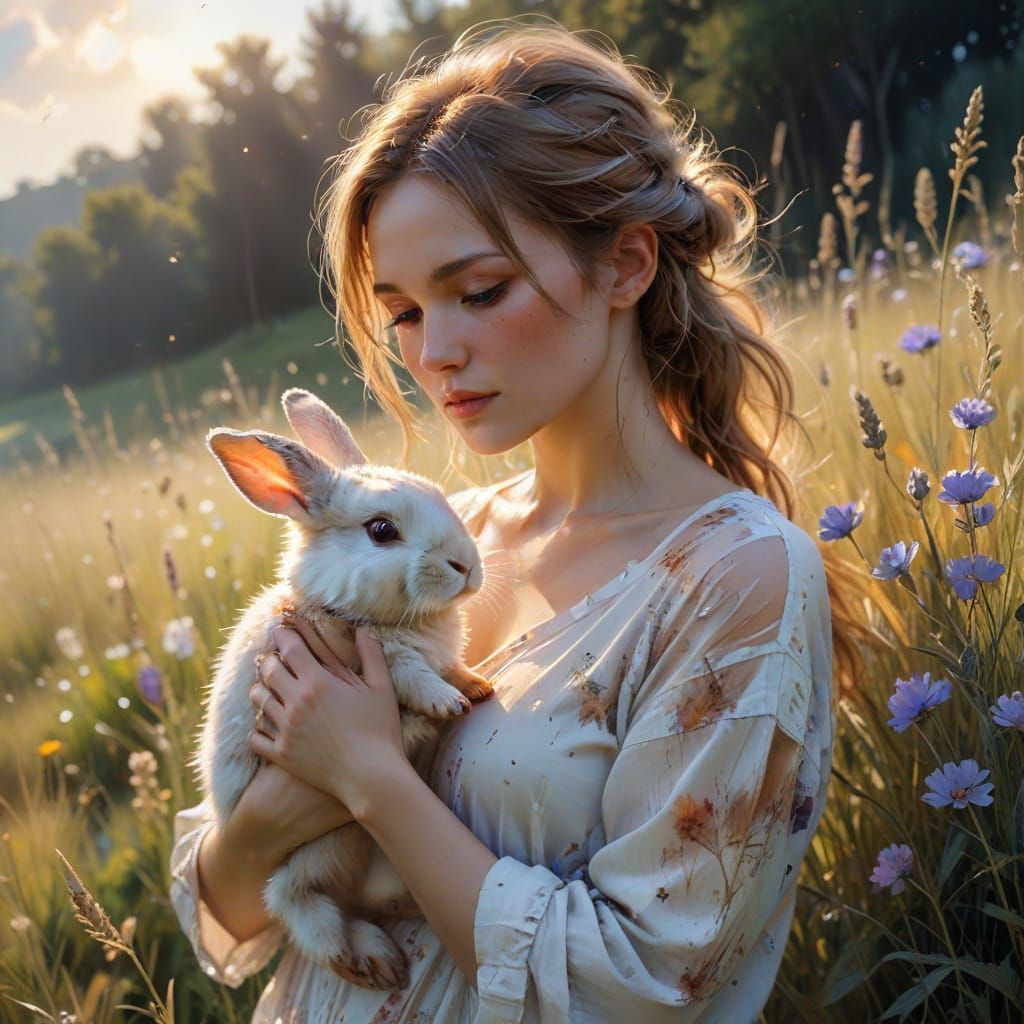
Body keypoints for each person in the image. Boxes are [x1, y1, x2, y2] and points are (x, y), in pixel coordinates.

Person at [170, 17, 854, 1022]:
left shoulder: (738, 577)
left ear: (623, 265)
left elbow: (646, 987)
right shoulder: (423, 548)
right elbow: (220, 904)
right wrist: (282, 801)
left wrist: (368, 777)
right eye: (402, 311)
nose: (434, 349)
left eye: (478, 290)